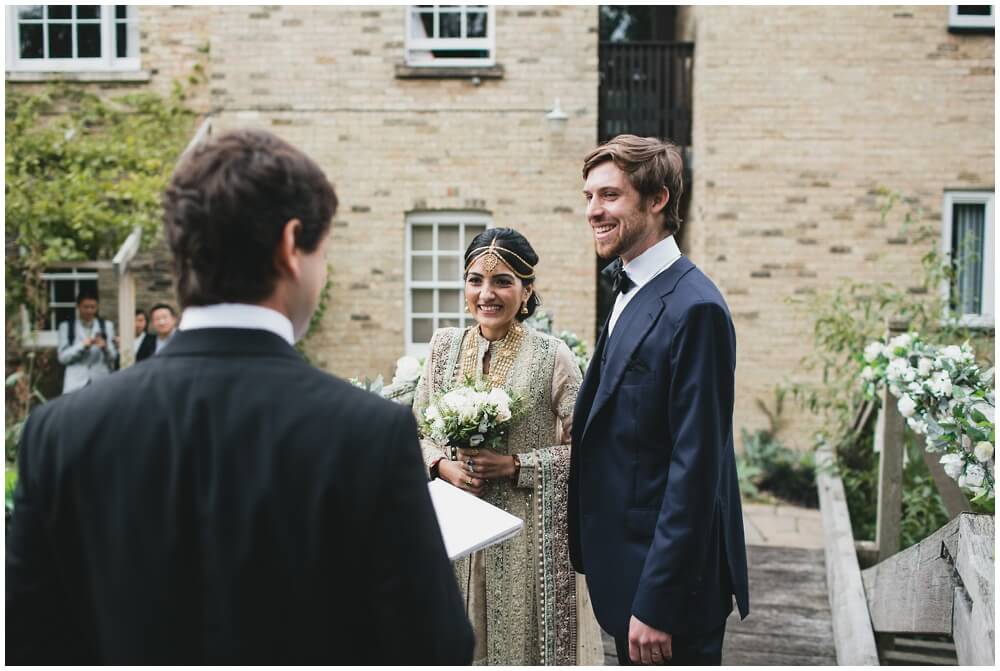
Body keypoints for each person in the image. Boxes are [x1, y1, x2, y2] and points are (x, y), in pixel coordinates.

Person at [6, 129, 473, 664]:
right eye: (323, 252)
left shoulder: (61, 431)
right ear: (290, 246)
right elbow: (433, 647)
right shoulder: (370, 432)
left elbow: (27, 642)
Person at [568, 135, 750, 665]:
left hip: (669, 595)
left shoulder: (696, 309)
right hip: (624, 569)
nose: (592, 211)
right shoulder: (633, 287)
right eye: (588, 197)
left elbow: (697, 469)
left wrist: (658, 603)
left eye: (609, 196)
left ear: (657, 200)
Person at [413, 227, 604, 666]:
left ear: (526, 290)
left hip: (524, 540)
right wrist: (442, 465)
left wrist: (517, 466)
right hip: (453, 534)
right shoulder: (443, 347)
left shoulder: (552, 356)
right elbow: (416, 431)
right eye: (476, 280)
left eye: (503, 281)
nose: (487, 294)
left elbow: (591, 450)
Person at [56, 289, 118, 394]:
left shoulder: (107, 326)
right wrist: (82, 345)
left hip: (101, 382)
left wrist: (105, 347)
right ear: (78, 306)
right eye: (85, 307)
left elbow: (113, 357)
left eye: (93, 307)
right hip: (75, 384)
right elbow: (62, 358)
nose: (89, 311)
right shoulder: (66, 327)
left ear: (97, 307)